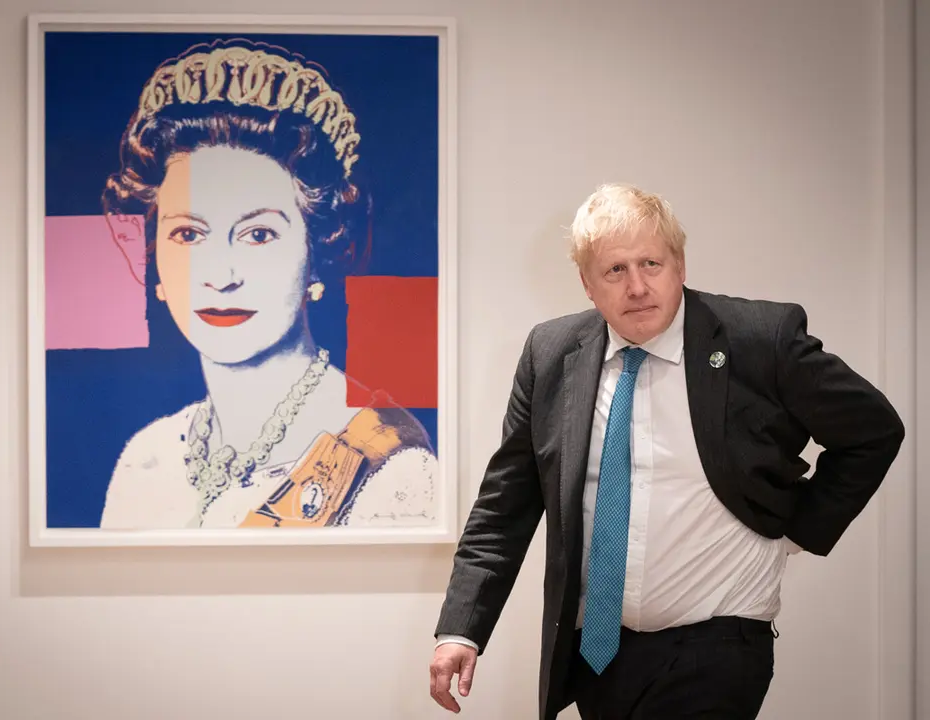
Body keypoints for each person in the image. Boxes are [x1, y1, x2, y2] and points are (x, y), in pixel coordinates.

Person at [428, 183, 905, 719]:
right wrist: (461, 629)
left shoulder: (759, 340)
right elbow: (505, 505)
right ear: (587, 284)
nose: (637, 286)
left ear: (679, 265)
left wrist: (799, 530)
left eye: (651, 263)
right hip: (599, 653)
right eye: (615, 271)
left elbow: (873, 429)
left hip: (717, 643)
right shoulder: (551, 353)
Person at [95, 39, 437, 531]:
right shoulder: (145, 459)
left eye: (258, 234)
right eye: (188, 234)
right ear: (156, 263)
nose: (221, 275)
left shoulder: (389, 467)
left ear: (316, 255)